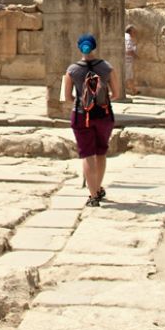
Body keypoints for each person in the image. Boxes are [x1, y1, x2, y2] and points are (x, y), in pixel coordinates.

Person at [63, 33, 121, 207]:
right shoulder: (107, 67)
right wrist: (101, 100)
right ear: (95, 47)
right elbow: (116, 94)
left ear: (79, 48)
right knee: (101, 152)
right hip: (103, 115)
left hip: (82, 116)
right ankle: (99, 187)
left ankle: (93, 194)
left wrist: (82, 103)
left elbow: (67, 97)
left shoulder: (72, 70)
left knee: (87, 154)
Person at [124, 25, 139, 96]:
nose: (135, 33)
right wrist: (135, 56)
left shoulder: (126, 36)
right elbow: (128, 50)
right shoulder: (128, 37)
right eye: (134, 32)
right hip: (127, 60)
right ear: (130, 31)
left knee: (129, 76)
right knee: (128, 76)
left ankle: (133, 90)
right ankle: (133, 90)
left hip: (127, 60)